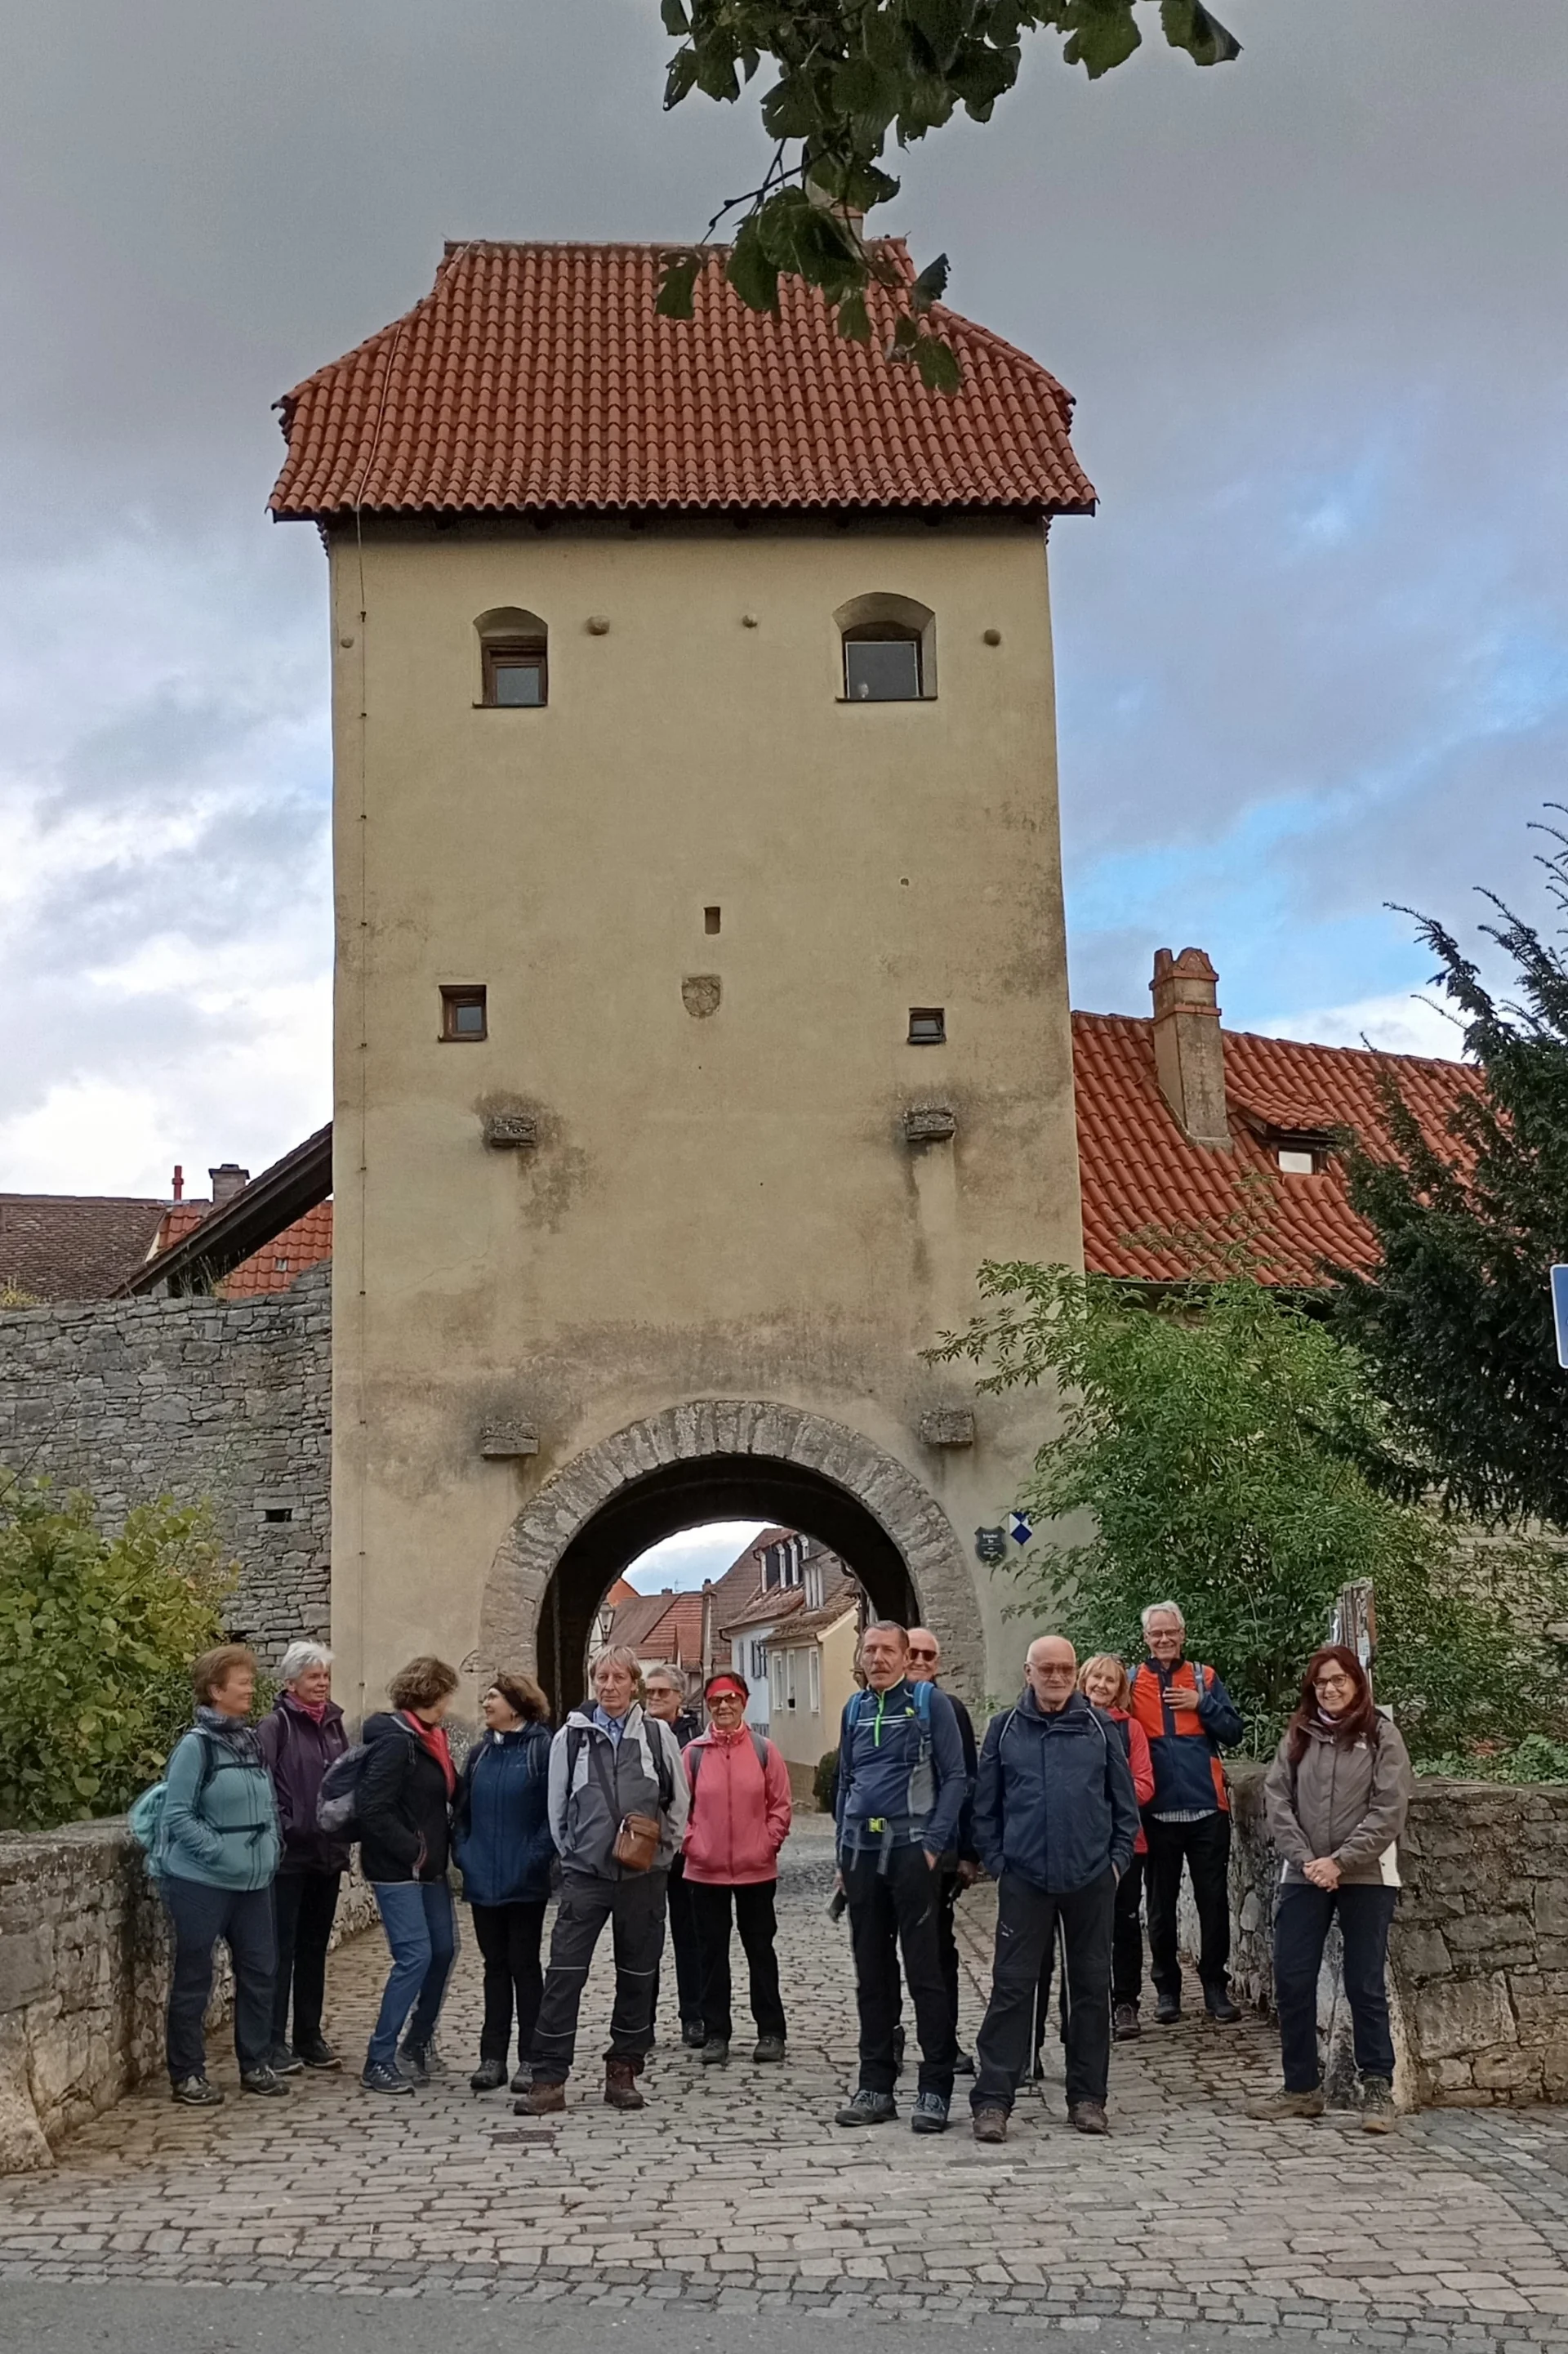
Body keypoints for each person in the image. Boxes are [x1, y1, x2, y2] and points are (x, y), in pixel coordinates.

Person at [969, 1636, 1139, 2144]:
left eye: (1067, 1669)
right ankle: (994, 2100)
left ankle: (1088, 2098)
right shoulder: (1004, 1731)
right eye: (1048, 1669)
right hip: (1026, 1879)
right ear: (1028, 1672)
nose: (1058, 1677)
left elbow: (1123, 1806)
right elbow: (986, 1809)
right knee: (1012, 1988)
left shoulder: (1099, 1727)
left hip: (1090, 1879)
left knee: (1090, 1988)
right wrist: (1000, 1864)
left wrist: (1115, 1864)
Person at [1248, 1645, 1414, 2133]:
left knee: (1364, 1983)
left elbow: (1389, 1809)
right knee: (1292, 1978)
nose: (1331, 1688)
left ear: (1356, 1682)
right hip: (1304, 1875)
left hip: (1365, 1875)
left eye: (1339, 1679)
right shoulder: (1299, 1734)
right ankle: (1301, 2088)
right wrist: (1308, 1862)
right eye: (1321, 1682)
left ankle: (1377, 2089)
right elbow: (1277, 1799)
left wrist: (1340, 1862)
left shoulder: (1382, 1735)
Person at [518, 1644, 689, 2115]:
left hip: (643, 1877)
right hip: (586, 1875)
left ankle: (623, 2071)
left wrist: (662, 1856)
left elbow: (677, 1804)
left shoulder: (656, 1736)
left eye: (618, 1679)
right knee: (564, 1973)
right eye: (602, 1679)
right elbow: (557, 1809)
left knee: (638, 1973)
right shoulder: (571, 1739)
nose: (609, 1687)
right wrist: (574, 1854)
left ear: (634, 1683)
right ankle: (549, 2076)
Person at [833, 1619, 969, 2136]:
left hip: (913, 1852)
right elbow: (846, 1781)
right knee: (872, 1974)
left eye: (888, 1650)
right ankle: (876, 2086)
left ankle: (935, 2089)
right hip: (862, 1853)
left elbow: (956, 1777)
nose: (878, 1659)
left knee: (925, 1973)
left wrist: (935, 1845)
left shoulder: (930, 1705)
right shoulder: (854, 1708)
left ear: (907, 1656)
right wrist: (842, 1853)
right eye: (870, 1650)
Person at [158, 1643, 284, 2106]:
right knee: (195, 1976)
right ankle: (187, 2074)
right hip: (201, 1882)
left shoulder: (247, 1741)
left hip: (253, 1881)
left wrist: (270, 1846)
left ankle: (255, 2064)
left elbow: (266, 1804)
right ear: (216, 1691)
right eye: (243, 1682)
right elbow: (177, 1814)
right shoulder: (195, 1747)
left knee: (260, 1971)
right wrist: (217, 1851)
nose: (251, 1688)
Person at [1129, 1602, 1245, 2024]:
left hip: (1206, 1810)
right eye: (1155, 1634)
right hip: (1156, 1813)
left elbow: (1233, 1732)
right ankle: (1167, 1991)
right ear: (1146, 1638)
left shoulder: (1205, 1678)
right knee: (1160, 1907)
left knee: (1212, 1902)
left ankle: (1216, 1986)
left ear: (1182, 1634)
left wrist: (1201, 1703)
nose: (1163, 1640)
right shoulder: (1131, 1681)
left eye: (1170, 1632)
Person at [357, 1655, 461, 2095]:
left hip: (429, 1869)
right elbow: (371, 1809)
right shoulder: (397, 1741)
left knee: (443, 1951)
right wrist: (414, 1850)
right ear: (430, 1694)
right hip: (398, 1869)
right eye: (446, 1695)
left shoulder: (431, 1737)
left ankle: (416, 2042)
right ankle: (379, 2058)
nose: (449, 1704)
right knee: (415, 1957)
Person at [682, 1669, 792, 2065]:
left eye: (731, 1699)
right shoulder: (694, 1753)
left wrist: (768, 1842)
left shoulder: (765, 1751)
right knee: (710, 1954)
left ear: (743, 1702)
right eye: (716, 1701)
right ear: (708, 1706)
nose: (724, 1706)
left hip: (755, 1869)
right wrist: (693, 1843)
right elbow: (680, 1809)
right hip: (705, 1870)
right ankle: (716, 2033)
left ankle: (771, 2031)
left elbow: (780, 1804)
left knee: (760, 1950)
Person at [452, 1671, 554, 2093]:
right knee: (494, 1968)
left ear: (515, 1705)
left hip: (524, 1882)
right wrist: (466, 1855)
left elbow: (555, 1813)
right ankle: (492, 2057)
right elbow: (461, 1814)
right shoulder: (479, 1755)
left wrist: (533, 1860)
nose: (486, 1703)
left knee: (525, 1967)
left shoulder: (542, 1749)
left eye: (493, 1697)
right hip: (483, 1882)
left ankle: (532, 2057)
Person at [256, 1640, 350, 2075]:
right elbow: (263, 1787)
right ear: (291, 1683)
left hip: (327, 1854)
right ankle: (273, 2041)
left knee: (315, 1949)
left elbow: (343, 1780)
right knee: (282, 1948)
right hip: (291, 1857)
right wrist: (289, 1824)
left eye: (325, 1676)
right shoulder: (276, 1727)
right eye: (314, 1677)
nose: (322, 1684)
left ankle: (308, 2036)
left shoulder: (333, 1726)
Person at [906, 1627, 981, 2073]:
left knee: (935, 1953)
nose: (918, 1660)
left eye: (927, 1655)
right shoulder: (869, 1707)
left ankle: (943, 2044)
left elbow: (968, 1782)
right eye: (911, 1652)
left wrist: (969, 1852)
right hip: (882, 1854)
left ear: (938, 1664)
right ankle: (887, 2042)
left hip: (937, 1855)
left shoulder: (949, 1709)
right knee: (879, 1956)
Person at [1079, 1655, 1156, 2041]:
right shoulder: (1069, 1724)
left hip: (1126, 1841)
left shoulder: (1132, 1731)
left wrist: (1105, 1804)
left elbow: (1144, 1783)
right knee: (1086, 1926)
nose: (1102, 1686)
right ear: (1083, 1681)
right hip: (1079, 1843)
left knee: (1124, 1923)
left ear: (1120, 1689)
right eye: (1096, 1678)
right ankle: (1090, 2002)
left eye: (1110, 1681)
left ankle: (1126, 2002)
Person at [644, 1662, 706, 2049]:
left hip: (686, 1850)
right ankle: (640, 2020)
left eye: (662, 1693)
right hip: (644, 1849)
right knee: (644, 1938)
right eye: (649, 1692)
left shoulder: (696, 1738)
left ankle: (694, 2016)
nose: (654, 1698)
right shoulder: (636, 1733)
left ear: (680, 1697)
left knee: (690, 1937)